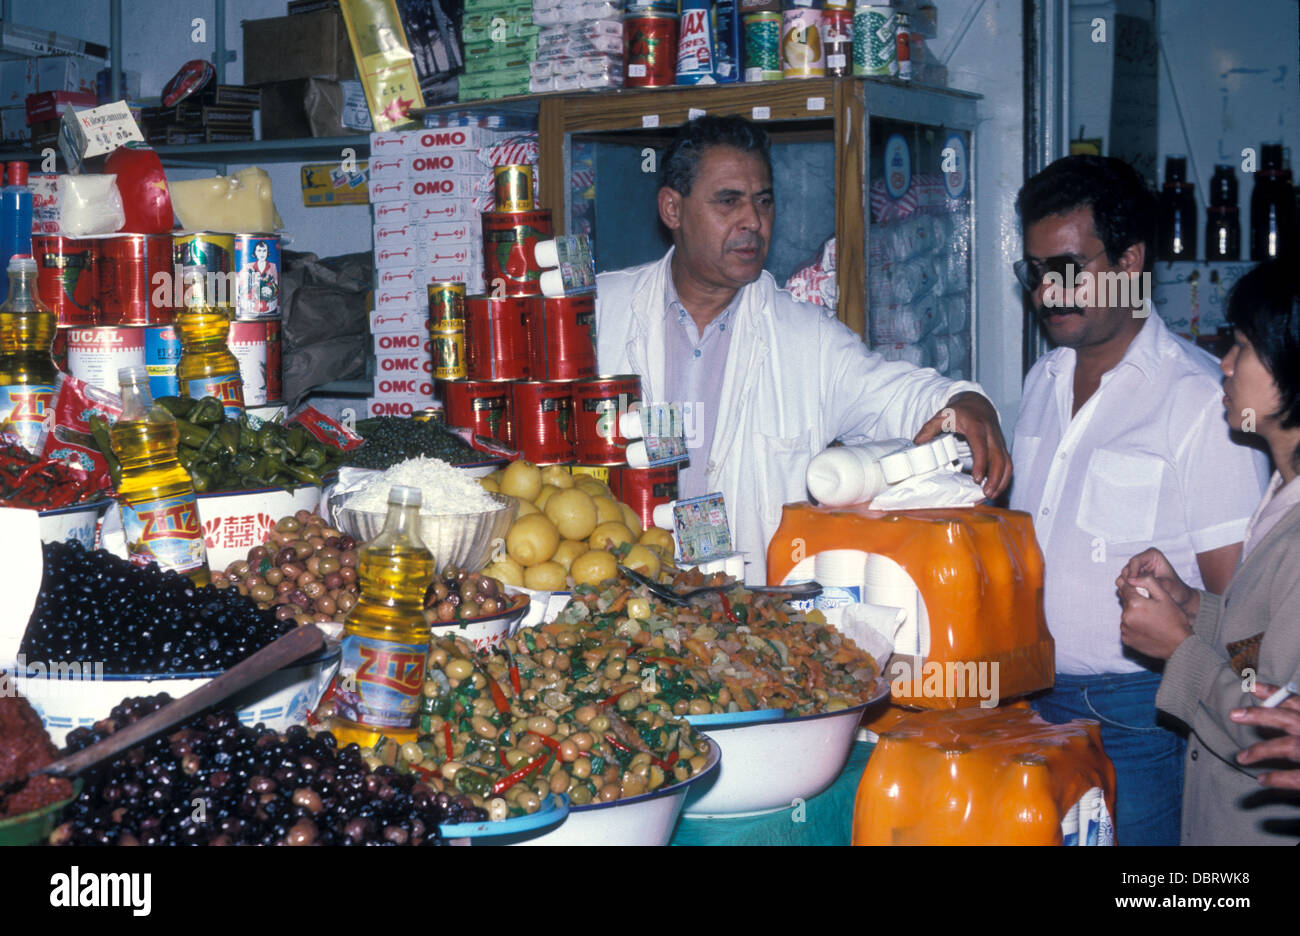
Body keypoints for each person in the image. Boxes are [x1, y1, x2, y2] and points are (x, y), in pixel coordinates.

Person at [594, 115, 1010, 582]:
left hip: (743, 620)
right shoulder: (599, 312)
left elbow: (904, 398)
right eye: (728, 201)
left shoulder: (805, 339)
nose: (752, 221)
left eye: (763, 202)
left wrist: (964, 405)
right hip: (609, 603)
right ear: (672, 209)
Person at [1008, 155, 1269, 845]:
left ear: (1129, 260)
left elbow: (1249, 627)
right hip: (1030, 704)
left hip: (1137, 718)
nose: (1047, 293)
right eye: (1035, 274)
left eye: (1067, 269)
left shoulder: (1194, 400)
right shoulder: (1041, 380)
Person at [1118, 260, 1300, 844]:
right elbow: (1265, 654)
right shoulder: (1283, 492)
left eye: (1243, 347)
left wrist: (1180, 649)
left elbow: (1275, 734)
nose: (1224, 365)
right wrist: (1198, 608)